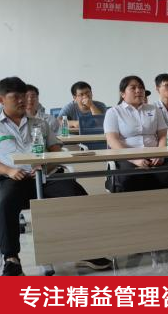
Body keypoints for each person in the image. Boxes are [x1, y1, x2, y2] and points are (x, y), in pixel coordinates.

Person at [0, 77, 111, 275]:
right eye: (15, 97)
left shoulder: (40, 124)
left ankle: (87, 250)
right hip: (12, 178)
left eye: (23, 96)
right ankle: (11, 259)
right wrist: (9, 171)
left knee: (76, 194)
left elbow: (56, 151)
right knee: (5, 201)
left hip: (44, 176)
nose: (22, 100)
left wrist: (46, 164)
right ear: (1, 100)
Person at [104, 76, 168, 192]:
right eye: (133, 88)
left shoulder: (154, 109)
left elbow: (163, 135)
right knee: (134, 178)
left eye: (141, 88)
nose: (138, 91)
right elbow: (112, 140)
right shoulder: (114, 112)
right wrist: (134, 159)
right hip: (127, 157)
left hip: (154, 155)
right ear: (122, 93)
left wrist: (160, 154)